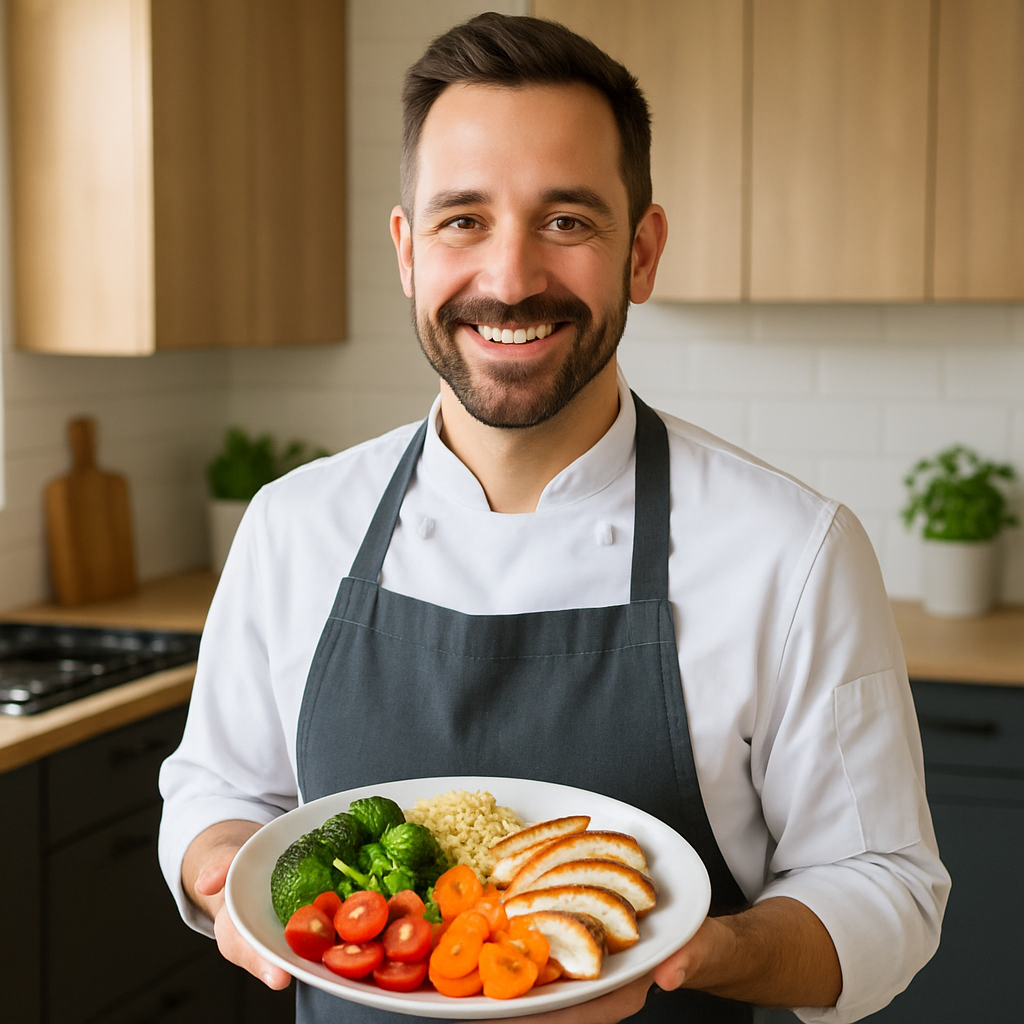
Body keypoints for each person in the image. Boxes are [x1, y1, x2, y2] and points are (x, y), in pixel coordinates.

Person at [159, 13, 948, 1024]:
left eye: (566, 220)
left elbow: (884, 887)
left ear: (642, 251)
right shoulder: (292, 526)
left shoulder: (789, 551)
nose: (509, 278)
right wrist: (225, 869)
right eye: (462, 220)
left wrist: (703, 952)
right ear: (407, 251)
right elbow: (216, 788)